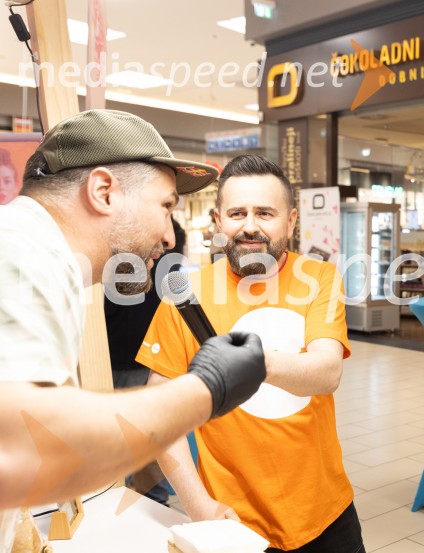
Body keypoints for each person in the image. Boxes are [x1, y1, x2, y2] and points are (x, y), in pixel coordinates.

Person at [0, 110, 267, 552]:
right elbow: (25, 452)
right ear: (104, 192)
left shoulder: (45, 259)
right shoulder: (22, 255)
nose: (168, 236)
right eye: (165, 207)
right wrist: (207, 390)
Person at [137, 154, 364, 552]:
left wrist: (249, 361)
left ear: (291, 222)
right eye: (237, 213)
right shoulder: (185, 297)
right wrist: (198, 505)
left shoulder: (320, 278)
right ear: (218, 220)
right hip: (231, 520)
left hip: (324, 513)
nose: (249, 226)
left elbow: (327, 371)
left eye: (265, 213)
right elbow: (160, 414)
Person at [104, 218, 187, 505]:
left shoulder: (151, 240)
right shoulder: (141, 241)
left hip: (134, 352)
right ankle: (147, 497)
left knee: (142, 430)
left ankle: (147, 497)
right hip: (128, 353)